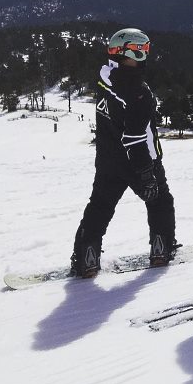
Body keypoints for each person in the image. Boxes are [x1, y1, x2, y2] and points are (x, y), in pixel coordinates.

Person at [71, 28, 176, 277]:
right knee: (160, 201)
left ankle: (87, 257)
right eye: (141, 50)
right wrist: (146, 172)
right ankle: (162, 249)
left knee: (100, 205)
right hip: (138, 160)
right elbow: (136, 138)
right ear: (125, 51)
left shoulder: (105, 79)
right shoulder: (139, 92)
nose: (145, 56)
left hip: (108, 160)